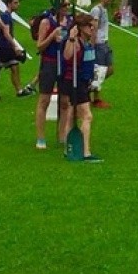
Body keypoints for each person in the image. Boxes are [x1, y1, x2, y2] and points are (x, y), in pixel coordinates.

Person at [60, 13, 102, 162]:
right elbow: (66, 56)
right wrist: (71, 37)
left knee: (72, 116)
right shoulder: (76, 42)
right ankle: (85, 152)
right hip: (74, 82)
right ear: (80, 28)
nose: (92, 28)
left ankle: (68, 149)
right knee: (87, 116)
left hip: (84, 82)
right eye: (89, 26)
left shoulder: (87, 41)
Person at [34, 0, 73, 149]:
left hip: (64, 63)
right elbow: (39, 46)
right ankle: (41, 137)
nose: (67, 8)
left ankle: (62, 135)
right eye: (64, 5)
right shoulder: (47, 22)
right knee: (44, 100)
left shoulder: (70, 22)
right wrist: (52, 36)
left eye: (69, 5)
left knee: (65, 102)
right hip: (49, 62)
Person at [0, 0, 32, 98]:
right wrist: (15, 46)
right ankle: (19, 91)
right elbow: (6, 34)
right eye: (15, 3)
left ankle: (19, 91)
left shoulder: (7, 16)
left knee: (12, 67)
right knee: (10, 67)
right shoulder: (6, 16)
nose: (18, 5)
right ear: (9, 4)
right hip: (4, 47)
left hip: (5, 46)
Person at [89, 0, 114, 108]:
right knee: (99, 71)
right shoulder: (96, 10)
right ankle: (96, 98)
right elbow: (93, 29)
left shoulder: (104, 10)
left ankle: (90, 88)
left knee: (109, 70)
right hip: (98, 44)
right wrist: (92, 46)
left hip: (105, 43)